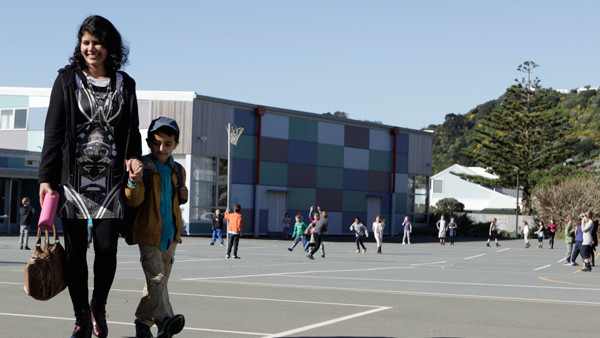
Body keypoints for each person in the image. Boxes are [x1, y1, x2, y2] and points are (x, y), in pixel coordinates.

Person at [37, 15, 142, 338]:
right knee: (74, 252)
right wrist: (46, 177)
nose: (90, 48)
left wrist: (135, 159)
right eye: (85, 42)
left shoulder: (126, 83)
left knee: (107, 248)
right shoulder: (67, 80)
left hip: (110, 183)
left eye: (97, 42)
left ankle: (99, 305)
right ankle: (81, 316)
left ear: (109, 46)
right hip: (72, 182)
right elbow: (53, 131)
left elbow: (131, 131)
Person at [124, 117, 187, 338]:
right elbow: (133, 200)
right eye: (156, 143)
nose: (161, 148)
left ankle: (142, 324)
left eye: (168, 144)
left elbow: (174, 202)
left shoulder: (179, 170)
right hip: (148, 233)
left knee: (156, 283)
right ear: (149, 141)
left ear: (176, 144)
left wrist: (183, 197)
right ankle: (165, 320)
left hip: (170, 235)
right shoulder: (143, 166)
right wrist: (133, 181)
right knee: (157, 279)